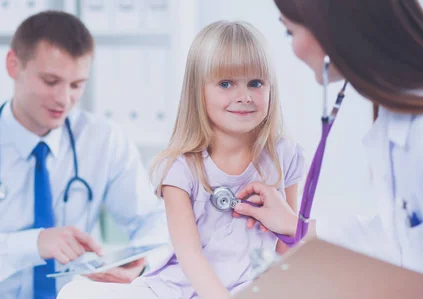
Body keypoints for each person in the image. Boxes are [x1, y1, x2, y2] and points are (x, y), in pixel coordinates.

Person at [0, 11, 168, 298]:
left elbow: (155, 221)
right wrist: (32, 245)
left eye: (76, 85)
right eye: (50, 81)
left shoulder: (103, 140)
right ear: (13, 65)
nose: (64, 99)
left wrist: (141, 263)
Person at [57, 20, 305, 299]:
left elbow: (292, 242)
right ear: (198, 91)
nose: (244, 96)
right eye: (226, 83)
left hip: (256, 285)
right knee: (75, 293)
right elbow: (190, 257)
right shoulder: (180, 168)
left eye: (256, 83)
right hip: (186, 288)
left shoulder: (284, 155)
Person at [232, 0, 423, 287]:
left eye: (290, 33)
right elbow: (398, 236)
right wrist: (298, 226)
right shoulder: (400, 119)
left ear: (330, 31)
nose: (293, 50)